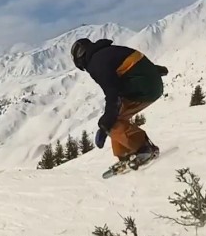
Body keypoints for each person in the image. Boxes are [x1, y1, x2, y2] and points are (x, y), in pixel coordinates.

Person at [70, 37, 169, 169]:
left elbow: (112, 93)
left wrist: (106, 122)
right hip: (150, 83)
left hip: (145, 88)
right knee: (115, 119)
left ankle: (143, 148)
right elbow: (133, 65)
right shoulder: (107, 52)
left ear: (80, 58)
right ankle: (125, 154)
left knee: (111, 122)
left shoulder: (96, 63)